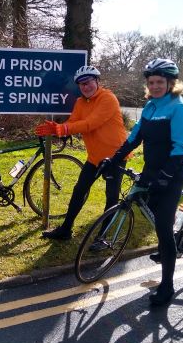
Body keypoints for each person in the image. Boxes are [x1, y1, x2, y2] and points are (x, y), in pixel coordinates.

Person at [102, 58, 183, 306]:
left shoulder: (180, 108)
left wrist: (165, 177)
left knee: (163, 229)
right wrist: (113, 159)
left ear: (171, 83)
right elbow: (134, 138)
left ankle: (167, 287)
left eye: (159, 82)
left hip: (171, 175)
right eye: (151, 82)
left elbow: (180, 148)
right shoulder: (150, 106)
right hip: (151, 171)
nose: (155, 86)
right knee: (152, 212)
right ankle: (170, 242)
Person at [35, 65, 128, 240]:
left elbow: (91, 123)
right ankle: (65, 230)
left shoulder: (108, 98)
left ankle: (103, 237)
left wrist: (63, 129)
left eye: (88, 82)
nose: (85, 87)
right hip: (94, 157)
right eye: (81, 84)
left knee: (111, 196)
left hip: (115, 156)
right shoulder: (80, 102)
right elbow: (73, 122)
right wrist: (58, 129)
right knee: (79, 190)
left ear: (97, 81)